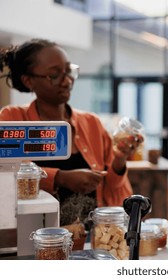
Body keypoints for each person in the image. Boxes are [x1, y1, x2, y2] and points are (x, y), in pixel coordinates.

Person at [0, 38, 143, 227]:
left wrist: (119, 160)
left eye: (68, 71)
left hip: (89, 236)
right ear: (28, 81)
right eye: (54, 75)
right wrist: (60, 178)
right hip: (36, 235)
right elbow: (7, 173)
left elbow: (112, 186)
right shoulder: (13, 117)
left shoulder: (91, 123)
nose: (67, 81)